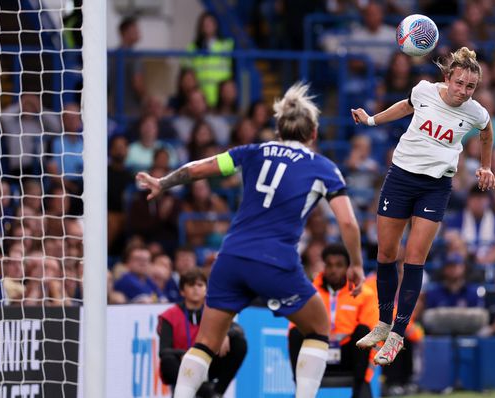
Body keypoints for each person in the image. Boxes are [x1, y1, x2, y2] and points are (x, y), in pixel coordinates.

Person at [136, 82, 365, 398]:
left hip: (230, 259)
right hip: (274, 261)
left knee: (205, 342)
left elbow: (199, 168)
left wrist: (163, 182)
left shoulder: (253, 152)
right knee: (318, 327)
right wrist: (356, 263)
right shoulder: (322, 168)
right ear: (313, 133)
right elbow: (349, 223)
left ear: (278, 129)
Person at [350, 47, 495, 365]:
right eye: (459, 83)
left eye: (470, 86)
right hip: (400, 178)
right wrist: (372, 120)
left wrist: (486, 166)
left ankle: (398, 335)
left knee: (414, 259)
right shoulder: (424, 91)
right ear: (448, 77)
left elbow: (486, 132)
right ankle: (383, 323)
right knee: (387, 255)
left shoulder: (475, 112)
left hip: (435, 187)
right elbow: (406, 106)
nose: (463, 91)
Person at [288, 244, 378, 398]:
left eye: (339, 265)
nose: (333, 270)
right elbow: (294, 326)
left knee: (363, 330)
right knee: (295, 332)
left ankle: (359, 390)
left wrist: (367, 376)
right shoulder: (309, 292)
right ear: (323, 266)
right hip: (318, 352)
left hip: (348, 356)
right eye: (329, 265)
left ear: (348, 268)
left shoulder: (364, 294)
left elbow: (374, 335)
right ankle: (301, 388)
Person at [158, 269, 247, 397]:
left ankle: (217, 393)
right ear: (182, 291)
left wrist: (226, 333)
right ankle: (208, 393)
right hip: (181, 365)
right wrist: (187, 355)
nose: (196, 289)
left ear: (206, 290)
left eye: (200, 285)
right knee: (167, 360)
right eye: (191, 285)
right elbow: (164, 351)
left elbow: (239, 330)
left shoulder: (212, 311)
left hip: (206, 364)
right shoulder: (169, 315)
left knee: (239, 343)